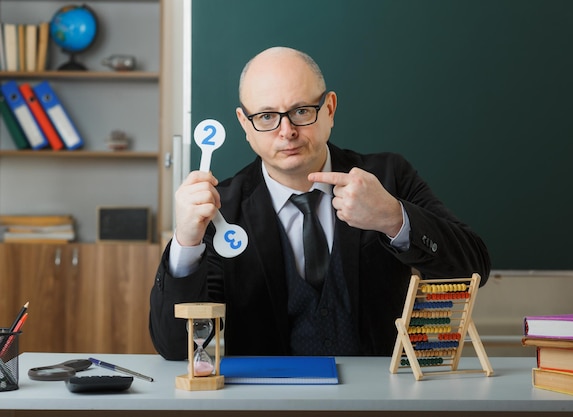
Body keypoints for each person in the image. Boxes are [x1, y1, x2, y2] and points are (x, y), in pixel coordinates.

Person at [149, 46, 491, 360]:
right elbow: (177, 348)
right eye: (267, 116)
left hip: (381, 400)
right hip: (266, 402)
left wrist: (393, 218)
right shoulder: (222, 209)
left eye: (301, 111)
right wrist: (185, 244)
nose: (286, 131)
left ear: (329, 109)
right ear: (245, 124)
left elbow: (472, 269)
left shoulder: (387, 177)